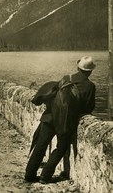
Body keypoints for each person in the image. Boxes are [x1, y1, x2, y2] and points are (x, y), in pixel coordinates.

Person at [25, 56, 96, 184]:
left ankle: (29, 174)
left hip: (50, 116)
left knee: (41, 144)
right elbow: (88, 108)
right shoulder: (90, 86)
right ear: (90, 71)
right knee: (61, 147)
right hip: (65, 122)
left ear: (78, 68)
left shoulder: (66, 78)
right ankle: (45, 176)